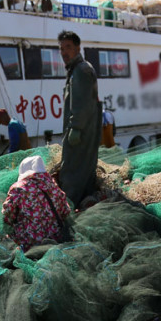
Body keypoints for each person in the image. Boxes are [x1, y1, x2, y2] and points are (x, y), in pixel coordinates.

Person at [58, 30, 102, 207]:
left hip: (80, 132)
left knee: (71, 170)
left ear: (78, 48)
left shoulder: (81, 70)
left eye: (68, 47)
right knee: (84, 169)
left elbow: (82, 103)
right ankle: (85, 202)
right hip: (84, 129)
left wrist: (75, 128)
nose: (64, 52)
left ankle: (69, 206)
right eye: (61, 48)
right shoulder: (77, 70)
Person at [2, 154, 72, 251]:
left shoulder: (18, 188)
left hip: (29, 242)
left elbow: (7, 215)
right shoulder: (53, 185)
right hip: (56, 239)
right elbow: (66, 211)